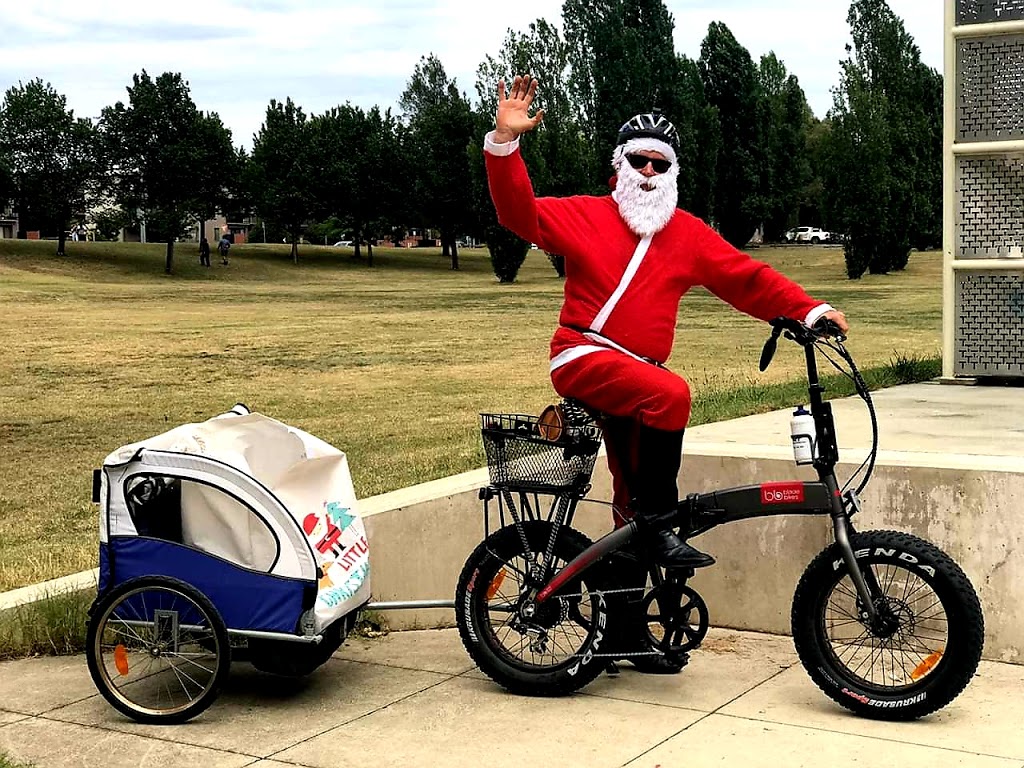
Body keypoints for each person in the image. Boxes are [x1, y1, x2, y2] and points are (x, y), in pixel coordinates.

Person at [484, 75, 849, 671]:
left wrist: (808, 310)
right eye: (639, 160)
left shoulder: (686, 233)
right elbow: (516, 212)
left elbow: (745, 277)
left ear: (673, 170)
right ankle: (659, 525)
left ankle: (626, 634)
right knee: (673, 395)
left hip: (636, 377)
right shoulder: (587, 215)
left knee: (630, 502)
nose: (650, 172)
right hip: (582, 353)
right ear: (619, 166)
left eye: (661, 162)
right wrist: (505, 140)